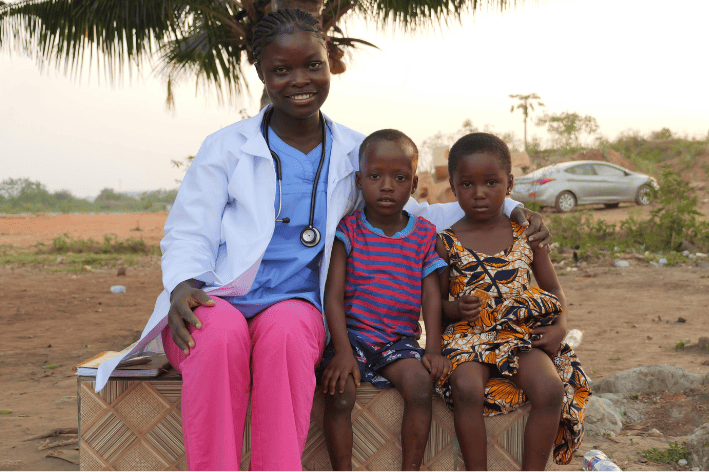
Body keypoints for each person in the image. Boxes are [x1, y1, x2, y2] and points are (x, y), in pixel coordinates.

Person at [94, 9, 553, 471]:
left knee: (289, 334)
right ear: (261, 74)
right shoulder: (227, 147)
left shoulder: (358, 152)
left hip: (297, 303)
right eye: (281, 70)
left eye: (312, 65)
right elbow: (189, 229)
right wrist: (182, 285)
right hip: (219, 295)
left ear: (329, 62)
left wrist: (513, 208)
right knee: (217, 337)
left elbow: (419, 213)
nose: (300, 80)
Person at [434, 132, 591, 470]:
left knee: (550, 389)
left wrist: (560, 327)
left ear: (510, 184)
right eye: (467, 184)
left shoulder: (528, 235)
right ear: (453, 187)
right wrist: (456, 308)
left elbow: (554, 289)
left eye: (491, 182)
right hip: (467, 337)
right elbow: (437, 304)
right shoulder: (446, 242)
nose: (479, 193)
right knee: (465, 388)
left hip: (518, 335)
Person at [319, 130, 451, 470]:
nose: (387, 186)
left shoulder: (423, 235)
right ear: (359, 181)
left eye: (400, 178)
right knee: (340, 392)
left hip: (398, 341)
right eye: (376, 176)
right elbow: (332, 296)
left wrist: (433, 348)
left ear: (414, 183)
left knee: (420, 386)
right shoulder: (348, 231)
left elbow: (431, 297)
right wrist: (342, 351)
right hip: (354, 338)